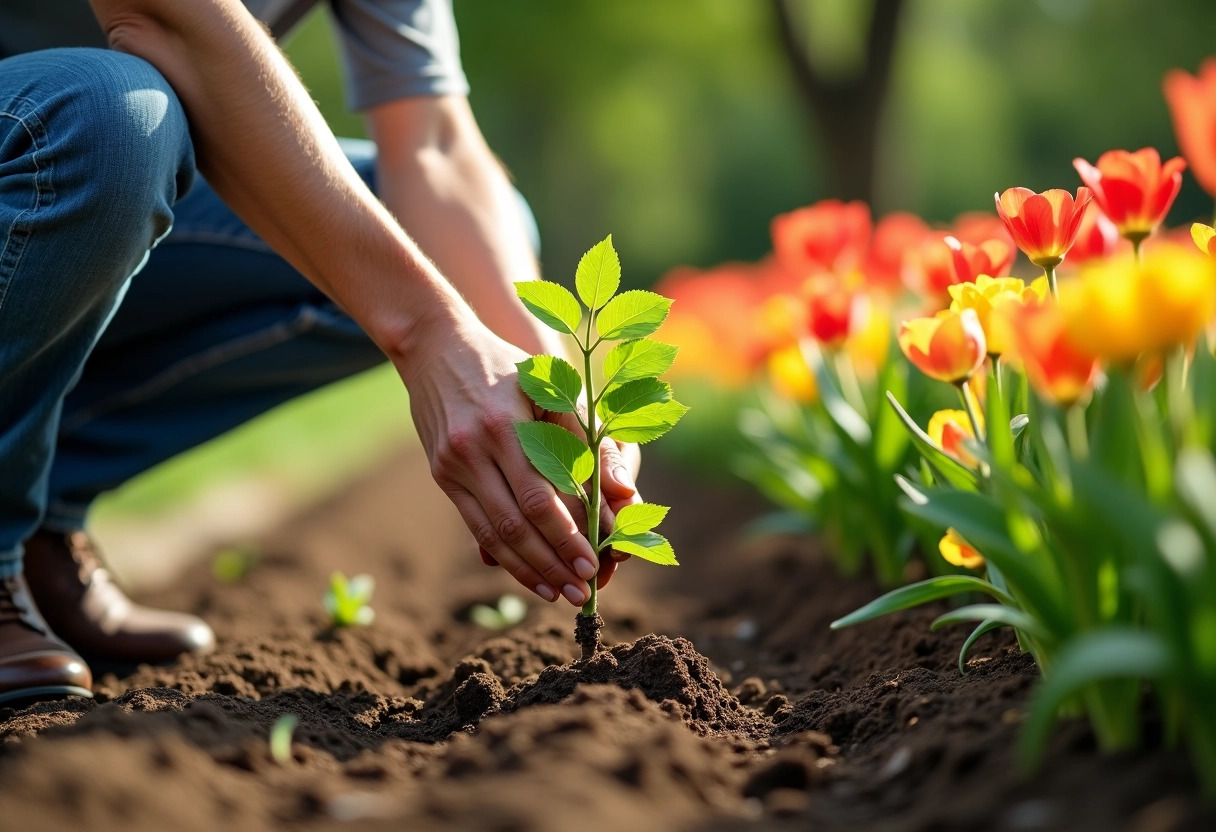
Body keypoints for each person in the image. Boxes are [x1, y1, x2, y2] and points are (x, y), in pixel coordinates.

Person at [0, 0, 642, 705]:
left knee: (446, 251)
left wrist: (549, 393)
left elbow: (432, 141)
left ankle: (32, 508)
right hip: (47, 140)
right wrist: (430, 333)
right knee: (113, 119)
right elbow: (166, 22)